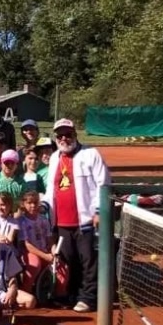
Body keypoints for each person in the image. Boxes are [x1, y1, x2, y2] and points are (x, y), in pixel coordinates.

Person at [41, 118, 110, 313]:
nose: (64, 138)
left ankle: (89, 297)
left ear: (75, 135)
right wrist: (45, 206)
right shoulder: (55, 158)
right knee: (69, 261)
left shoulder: (91, 154)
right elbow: (50, 189)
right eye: (60, 135)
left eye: (68, 134)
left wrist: (99, 211)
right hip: (61, 221)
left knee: (88, 260)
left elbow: (103, 184)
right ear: (55, 138)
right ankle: (72, 295)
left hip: (85, 220)